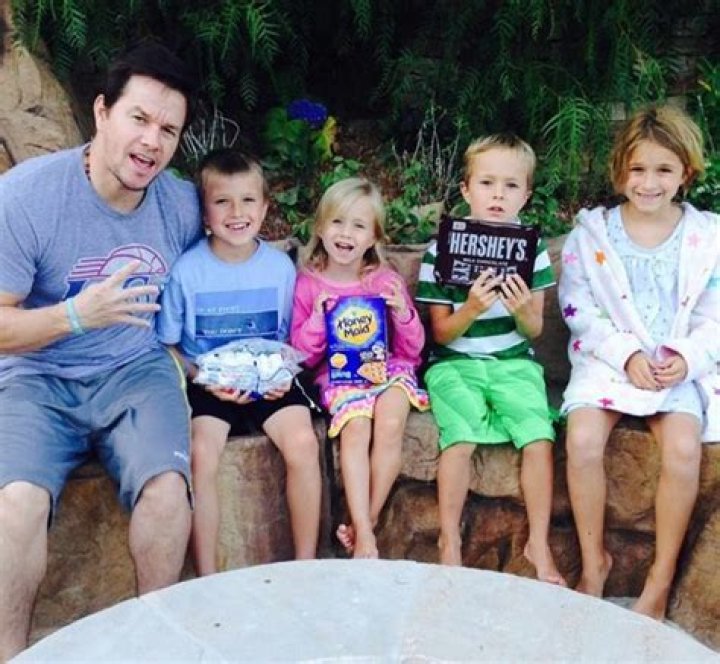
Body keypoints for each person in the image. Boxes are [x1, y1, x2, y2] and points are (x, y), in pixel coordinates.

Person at [0, 42, 202, 659]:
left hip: (135, 369)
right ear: (101, 112)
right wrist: (74, 316)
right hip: (37, 374)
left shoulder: (181, 204)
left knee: (166, 489)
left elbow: (224, 272)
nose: (151, 142)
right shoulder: (27, 197)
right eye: (139, 119)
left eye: (168, 130)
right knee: (16, 505)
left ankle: (155, 647)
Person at [559, 105, 719, 619]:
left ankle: (660, 577)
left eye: (663, 170)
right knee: (582, 441)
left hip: (675, 363)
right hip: (609, 361)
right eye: (638, 169)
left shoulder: (708, 238)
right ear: (619, 170)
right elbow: (579, 308)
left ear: (686, 173)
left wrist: (687, 358)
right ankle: (594, 563)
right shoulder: (593, 236)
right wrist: (625, 354)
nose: (649, 183)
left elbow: (715, 315)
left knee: (683, 449)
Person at [157, 148, 322, 575]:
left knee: (303, 443)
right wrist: (199, 376)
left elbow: (292, 338)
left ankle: (306, 566)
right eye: (222, 201)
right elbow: (168, 345)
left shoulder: (280, 269)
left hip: (269, 378)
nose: (237, 212)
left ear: (265, 207)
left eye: (248, 200)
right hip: (209, 381)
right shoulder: (187, 271)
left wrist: (284, 374)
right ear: (204, 213)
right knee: (201, 453)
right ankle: (208, 575)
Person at [415, 134, 565, 585]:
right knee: (459, 436)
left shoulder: (532, 250)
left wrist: (520, 309)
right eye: (487, 183)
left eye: (510, 185)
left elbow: (533, 329)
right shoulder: (443, 249)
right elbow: (441, 332)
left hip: (513, 361)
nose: (498, 195)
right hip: (453, 362)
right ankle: (449, 541)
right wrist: (472, 308)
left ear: (526, 194)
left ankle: (538, 543)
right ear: (466, 190)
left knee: (538, 437)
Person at [291, 177, 429, 559]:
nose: (346, 233)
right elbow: (300, 357)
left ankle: (365, 524)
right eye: (337, 222)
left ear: (373, 237)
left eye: (358, 225)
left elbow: (413, 350)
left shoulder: (385, 281)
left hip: (388, 370)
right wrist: (317, 321)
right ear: (320, 228)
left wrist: (401, 314)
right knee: (356, 428)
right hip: (340, 377)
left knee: (390, 422)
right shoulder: (308, 285)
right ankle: (365, 531)